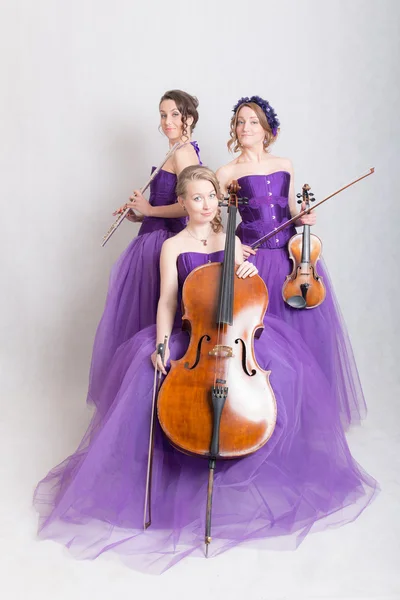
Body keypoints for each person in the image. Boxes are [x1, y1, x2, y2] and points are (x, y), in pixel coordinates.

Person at [34, 165, 377, 574]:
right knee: (148, 380)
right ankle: (174, 469)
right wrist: (162, 343)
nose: (205, 204)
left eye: (210, 197)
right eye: (196, 198)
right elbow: (166, 301)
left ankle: (246, 456)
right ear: (183, 203)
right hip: (191, 336)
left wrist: (245, 270)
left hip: (231, 339)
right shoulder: (173, 246)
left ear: (219, 200)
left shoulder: (228, 238)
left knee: (282, 376)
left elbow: (242, 296)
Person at [216, 96, 366, 428]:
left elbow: (289, 210)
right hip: (256, 261)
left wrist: (303, 216)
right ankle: (264, 417)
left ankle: (301, 419)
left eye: (253, 121)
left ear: (267, 128)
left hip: (292, 261)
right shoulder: (226, 171)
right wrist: (233, 245)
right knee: (263, 341)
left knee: (303, 338)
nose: (245, 128)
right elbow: (213, 222)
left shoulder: (284, 163)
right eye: (240, 121)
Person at [88, 90, 202, 412]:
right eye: (163, 115)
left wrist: (151, 210)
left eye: (175, 115)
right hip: (152, 238)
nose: (167, 121)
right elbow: (165, 203)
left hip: (164, 244)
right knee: (147, 323)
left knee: (158, 323)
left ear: (188, 119)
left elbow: (187, 206)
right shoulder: (174, 151)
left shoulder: (184, 154)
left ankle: (160, 408)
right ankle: (143, 410)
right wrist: (140, 212)